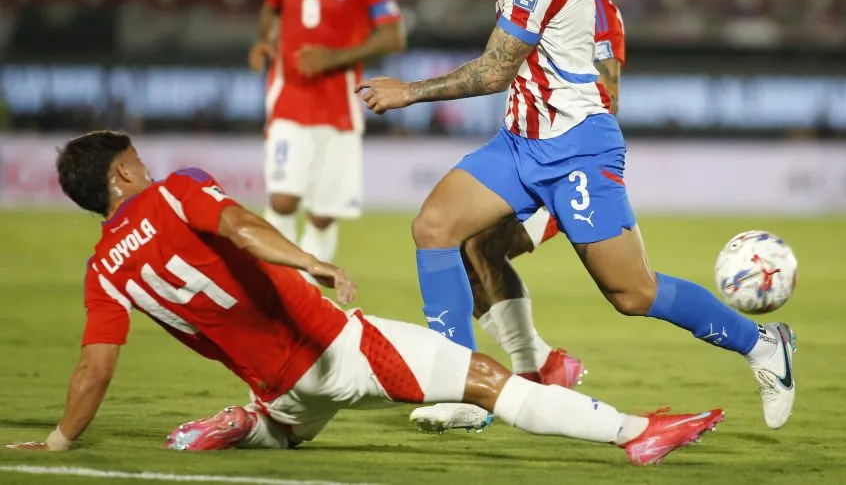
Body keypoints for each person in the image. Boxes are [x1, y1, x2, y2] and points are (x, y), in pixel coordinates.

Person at [357, 0, 797, 432]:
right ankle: (463, 388)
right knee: (435, 228)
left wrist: (408, 91)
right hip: (520, 142)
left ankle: (764, 344)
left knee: (632, 294)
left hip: (576, 148)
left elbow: (493, 72)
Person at [4, 130, 723, 467]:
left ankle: (253, 426)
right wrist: (309, 259)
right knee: (485, 381)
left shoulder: (103, 270)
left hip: (279, 385)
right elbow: (242, 226)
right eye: (137, 161)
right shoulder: (174, 192)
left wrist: (61, 439)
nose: (148, 166)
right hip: (334, 347)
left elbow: (95, 366)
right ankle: (635, 432)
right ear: (123, 175)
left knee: (293, 425)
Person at [411, 0, 625, 432]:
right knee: (460, 250)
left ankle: (526, 369)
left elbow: (608, 93)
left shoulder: (597, 9)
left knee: (480, 245)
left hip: (564, 165)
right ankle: (539, 365)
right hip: (524, 155)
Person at [248, 0, 406, 265]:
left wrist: (334, 58)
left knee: (322, 214)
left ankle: (307, 286)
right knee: (283, 200)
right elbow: (270, 8)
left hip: (340, 107)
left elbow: (393, 37)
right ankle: (278, 283)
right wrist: (264, 40)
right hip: (289, 98)